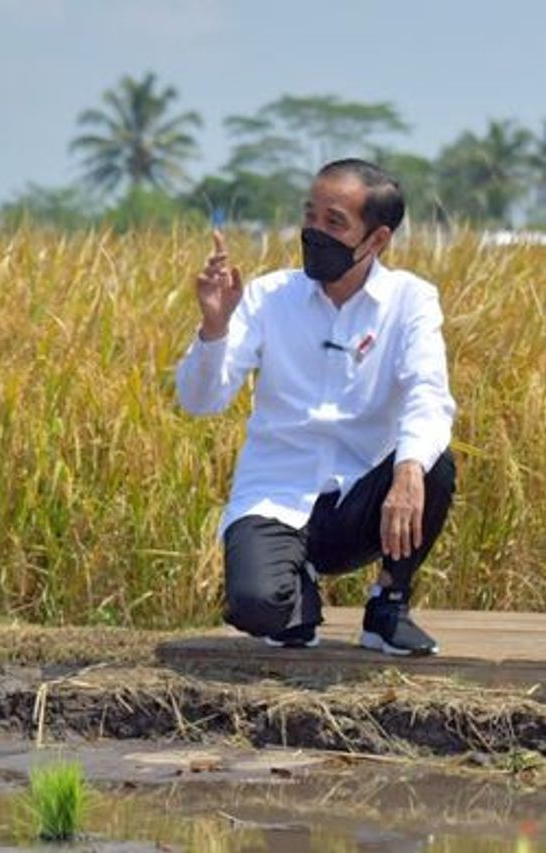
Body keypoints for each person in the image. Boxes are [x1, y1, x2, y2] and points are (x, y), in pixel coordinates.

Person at [175, 158, 457, 657]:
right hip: (277, 496)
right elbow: (200, 401)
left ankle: (389, 607)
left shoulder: (410, 301)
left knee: (432, 463)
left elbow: (428, 394)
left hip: (360, 502)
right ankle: (295, 591)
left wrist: (408, 469)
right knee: (257, 609)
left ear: (376, 240)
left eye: (334, 222)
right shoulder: (268, 296)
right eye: (310, 217)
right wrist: (215, 328)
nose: (314, 232)